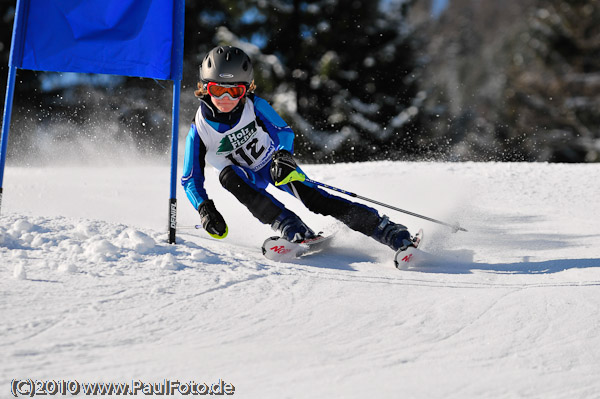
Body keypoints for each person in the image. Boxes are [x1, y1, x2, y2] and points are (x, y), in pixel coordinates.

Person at [181, 46, 416, 253]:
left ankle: (386, 230)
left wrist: (283, 155)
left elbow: (283, 131)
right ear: (204, 88)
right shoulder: (200, 130)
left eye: (234, 91)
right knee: (228, 176)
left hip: (274, 165)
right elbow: (190, 179)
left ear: (246, 89)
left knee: (316, 200)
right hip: (245, 178)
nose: (224, 98)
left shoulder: (255, 106)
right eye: (216, 90)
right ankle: (289, 225)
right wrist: (204, 208)